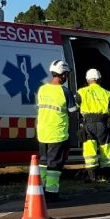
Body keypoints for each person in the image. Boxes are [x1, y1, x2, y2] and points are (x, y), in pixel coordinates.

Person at [35, 59, 78, 198]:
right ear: (63, 74)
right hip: (57, 134)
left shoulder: (42, 89)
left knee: (43, 162)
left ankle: (40, 189)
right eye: (66, 74)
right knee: (54, 165)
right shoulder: (65, 91)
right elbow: (73, 110)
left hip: (42, 132)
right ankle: (52, 193)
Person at [77, 68, 110, 181]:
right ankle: (108, 175)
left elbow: (74, 108)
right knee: (105, 148)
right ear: (99, 79)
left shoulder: (81, 92)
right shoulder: (107, 93)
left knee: (89, 149)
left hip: (88, 123)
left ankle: (92, 175)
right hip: (103, 124)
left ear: (88, 80)